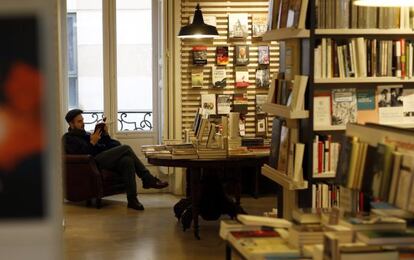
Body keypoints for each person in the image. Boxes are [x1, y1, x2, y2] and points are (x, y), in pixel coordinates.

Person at [62, 109, 168, 210]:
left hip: (102, 160)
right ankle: (147, 179)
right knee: (126, 148)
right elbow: (81, 156)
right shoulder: (68, 138)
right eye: (79, 121)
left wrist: (106, 135)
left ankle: (132, 200)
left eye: (83, 120)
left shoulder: (87, 135)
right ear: (71, 124)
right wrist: (92, 143)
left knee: (127, 160)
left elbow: (115, 146)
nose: (83, 123)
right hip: (92, 165)